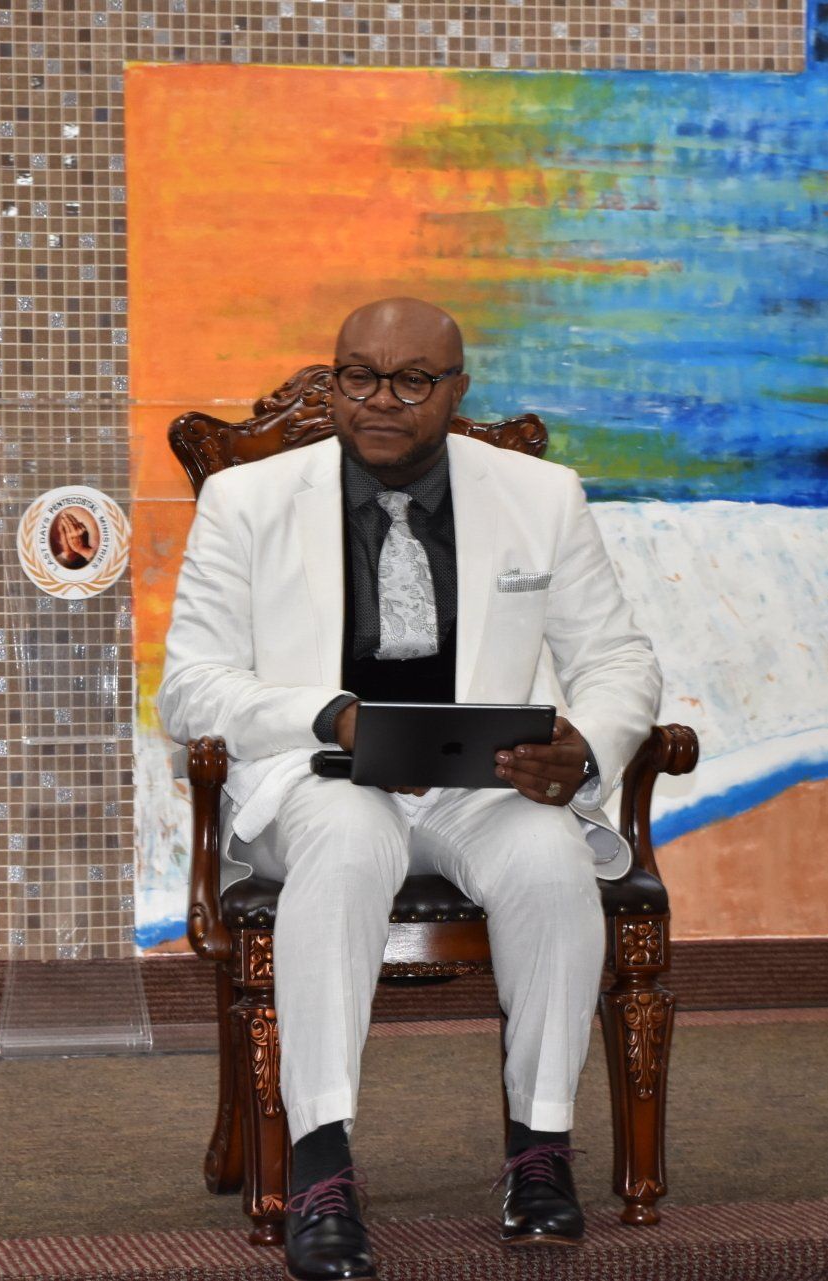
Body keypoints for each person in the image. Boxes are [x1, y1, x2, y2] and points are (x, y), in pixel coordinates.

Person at [157, 297, 661, 1280]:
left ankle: (540, 1150)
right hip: (323, 776)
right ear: (335, 377)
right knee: (349, 843)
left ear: (457, 390)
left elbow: (617, 659)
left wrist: (586, 749)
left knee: (551, 855)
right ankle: (321, 1167)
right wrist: (330, 716)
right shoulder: (247, 501)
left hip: (484, 781)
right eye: (358, 375)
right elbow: (191, 687)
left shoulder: (542, 495)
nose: (380, 399)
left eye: (411, 380)